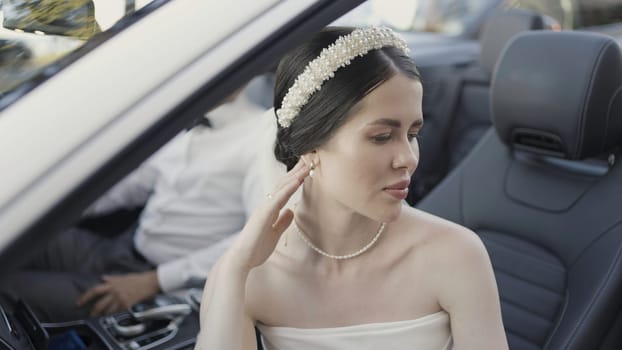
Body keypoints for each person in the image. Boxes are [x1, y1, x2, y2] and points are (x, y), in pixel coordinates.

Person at [195, 26, 508, 349]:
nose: (408, 159)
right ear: (311, 145)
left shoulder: (455, 255)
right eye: (381, 137)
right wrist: (235, 271)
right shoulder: (250, 272)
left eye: (412, 134)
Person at [0, 89, 272, 322]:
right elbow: (132, 186)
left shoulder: (261, 134)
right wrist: (49, 207)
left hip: (153, 285)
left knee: (9, 289)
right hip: (118, 249)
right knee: (12, 238)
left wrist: (155, 281)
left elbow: (256, 237)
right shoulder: (187, 115)